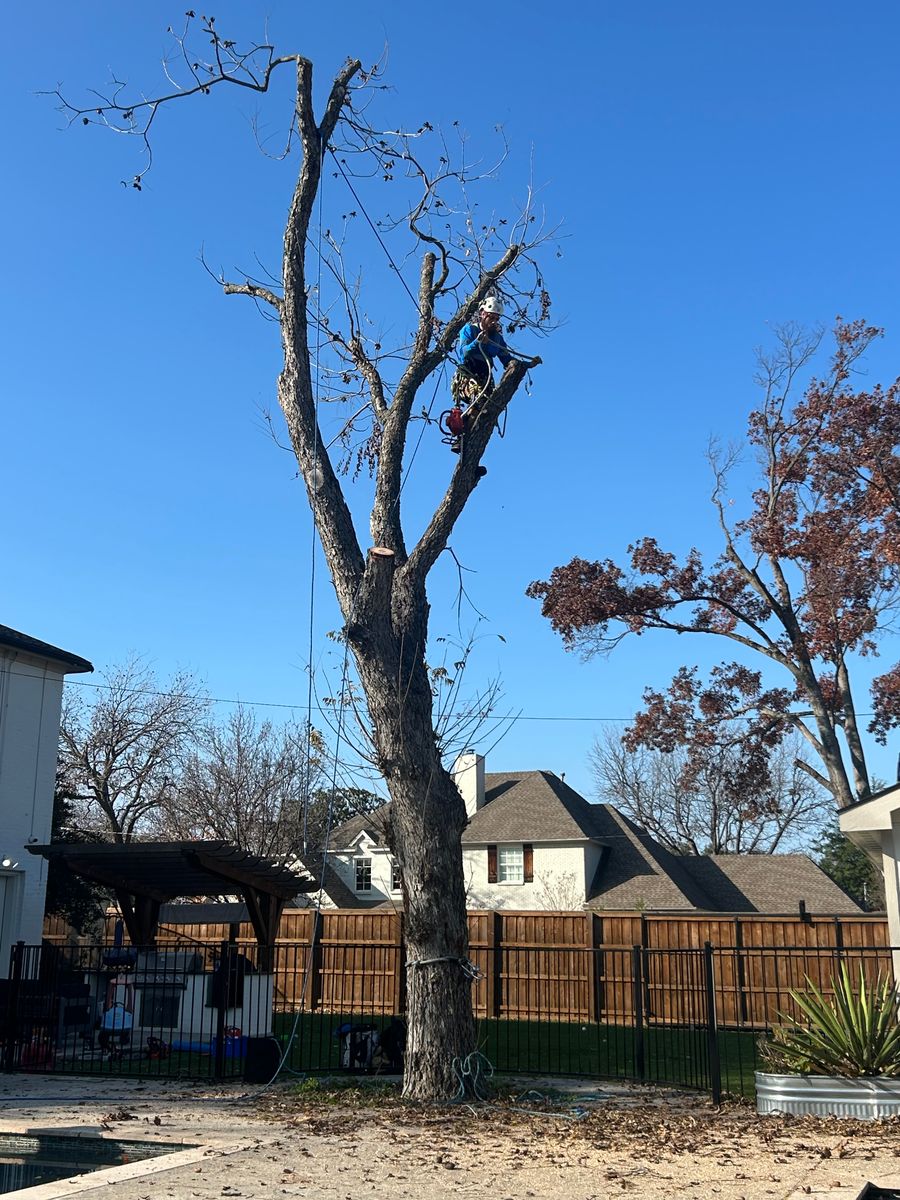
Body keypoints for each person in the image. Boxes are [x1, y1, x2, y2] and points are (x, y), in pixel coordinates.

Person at [449, 295, 513, 451]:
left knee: (486, 413)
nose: (493, 321)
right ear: (483, 313)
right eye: (491, 317)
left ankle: (474, 453)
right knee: (478, 405)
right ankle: (462, 439)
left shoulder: (496, 338)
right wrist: (477, 342)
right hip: (468, 374)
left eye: (496, 318)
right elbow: (463, 353)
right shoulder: (470, 330)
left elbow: (506, 357)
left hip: (485, 377)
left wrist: (519, 365)